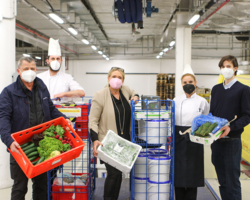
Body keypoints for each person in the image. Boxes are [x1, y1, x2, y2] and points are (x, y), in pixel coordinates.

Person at [0, 56, 72, 200]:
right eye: (26, 68)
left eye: (32, 68)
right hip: (19, 147)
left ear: (36, 69)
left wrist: (64, 119)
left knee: (42, 186)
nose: (30, 71)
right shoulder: (9, 92)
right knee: (20, 187)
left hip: (41, 145)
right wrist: (8, 140)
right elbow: (3, 118)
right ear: (18, 71)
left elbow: (51, 110)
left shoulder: (41, 87)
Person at [88, 67, 139, 200]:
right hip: (107, 141)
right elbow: (92, 121)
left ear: (123, 80)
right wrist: (95, 140)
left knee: (119, 173)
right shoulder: (100, 95)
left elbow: (133, 92)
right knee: (113, 173)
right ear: (108, 78)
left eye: (120, 77)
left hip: (124, 141)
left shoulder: (125, 90)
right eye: (114, 76)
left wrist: (136, 96)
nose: (117, 79)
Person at [210, 55, 250, 200]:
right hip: (216, 141)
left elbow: (247, 116)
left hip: (232, 141)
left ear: (235, 68)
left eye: (229, 66)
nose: (225, 69)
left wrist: (231, 127)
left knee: (232, 182)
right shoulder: (216, 89)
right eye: (223, 66)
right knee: (222, 181)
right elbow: (213, 113)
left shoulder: (243, 90)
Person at [174, 64, 209, 200]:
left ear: (195, 83)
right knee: (179, 172)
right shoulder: (176, 101)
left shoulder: (202, 102)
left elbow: (206, 119)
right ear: (181, 84)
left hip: (195, 138)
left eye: (190, 82)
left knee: (193, 173)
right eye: (185, 82)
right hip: (179, 139)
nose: (187, 84)